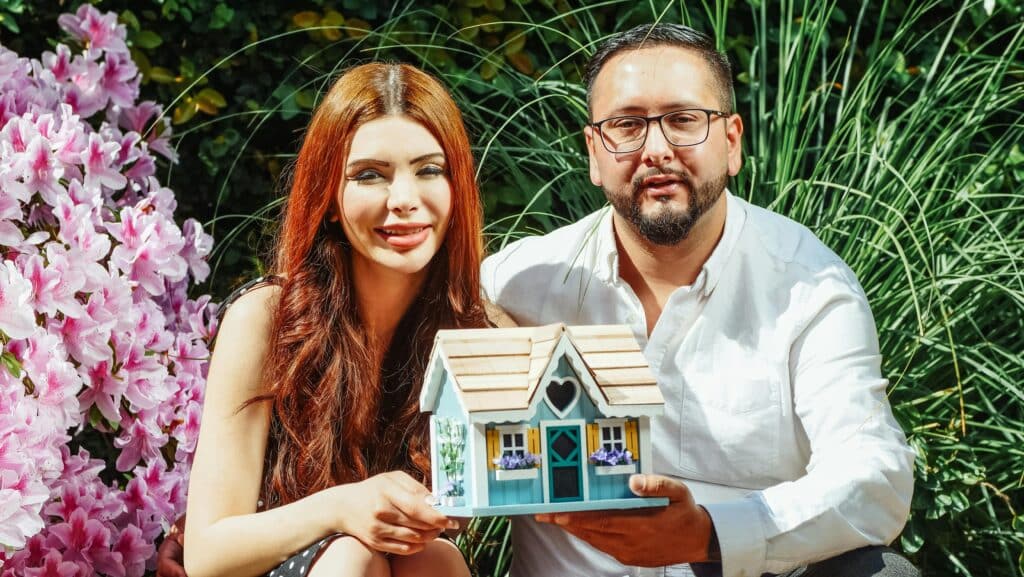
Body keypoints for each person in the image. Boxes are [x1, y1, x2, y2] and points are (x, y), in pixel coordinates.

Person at [480, 23, 919, 577]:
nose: (657, 150)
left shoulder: (808, 286)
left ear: (732, 142)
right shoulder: (517, 283)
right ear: (594, 152)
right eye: (627, 125)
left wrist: (713, 532)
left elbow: (875, 476)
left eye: (685, 121)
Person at [178, 62, 493, 577]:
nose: (404, 200)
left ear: (457, 189)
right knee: (352, 552)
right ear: (329, 199)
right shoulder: (266, 320)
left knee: (434, 559)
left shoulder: (470, 330)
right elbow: (207, 554)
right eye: (370, 174)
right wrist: (342, 507)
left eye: (429, 170)